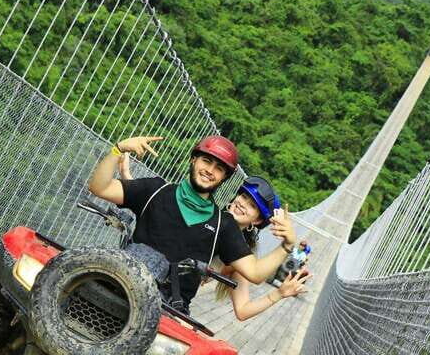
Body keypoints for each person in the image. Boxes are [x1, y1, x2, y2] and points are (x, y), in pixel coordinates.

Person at [87, 135, 297, 314]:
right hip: (117, 285)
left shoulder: (223, 226)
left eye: (219, 168)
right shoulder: (155, 190)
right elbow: (100, 187)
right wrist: (118, 149)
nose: (210, 170)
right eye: (206, 161)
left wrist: (287, 245)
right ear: (193, 159)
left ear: (224, 178)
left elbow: (254, 272)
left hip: (165, 311)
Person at [214, 176, 311, 321]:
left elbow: (242, 311)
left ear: (258, 220)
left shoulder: (241, 260)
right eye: (244, 196)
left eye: (252, 205)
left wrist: (279, 293)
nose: (242, 204)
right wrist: (287, 245)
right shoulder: (208, 214)